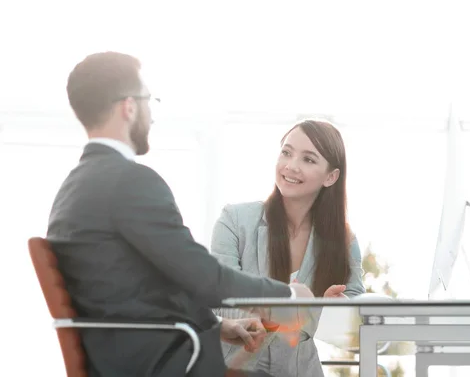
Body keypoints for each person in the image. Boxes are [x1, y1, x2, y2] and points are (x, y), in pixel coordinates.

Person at [46, 51, 314, 377]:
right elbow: (204, 278)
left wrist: (218, 326)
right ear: (129, 106)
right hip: (156, 365)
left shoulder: (75, 187)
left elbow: (138, 289)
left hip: (122, 359)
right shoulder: (130, 182)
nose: (152, 115)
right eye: (150, 101)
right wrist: (287, 293)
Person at [211, 119, 366, 377]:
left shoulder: (344, 239)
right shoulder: (235, 220)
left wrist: (332, 308)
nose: (291, 166)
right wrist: (290, 308)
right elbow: (219, 299)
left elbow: (355, 315)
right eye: (286, 152)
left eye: (308, 159)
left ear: (331, 176)